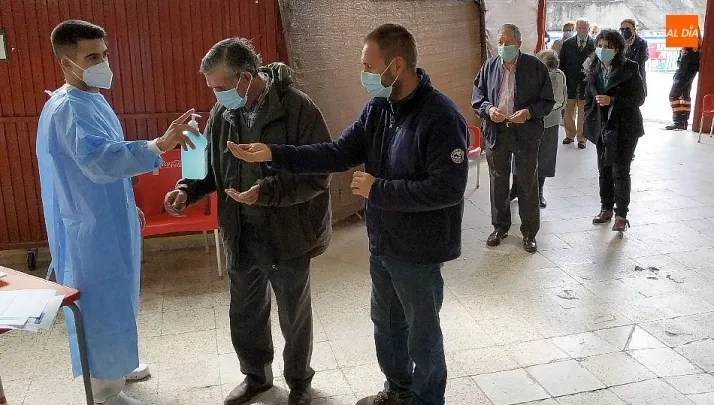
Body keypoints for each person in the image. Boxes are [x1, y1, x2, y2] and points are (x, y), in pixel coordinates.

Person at [226, 23, 468, 405]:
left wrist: (379, 190)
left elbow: (447, 188)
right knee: (387, 325)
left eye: (368, 67)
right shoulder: (378, 109)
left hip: (418, 250)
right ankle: (398, 390)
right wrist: (275, 153)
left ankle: (426, 400)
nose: (363, 74)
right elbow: (337, 152)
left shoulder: (441, 117)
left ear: (397, 66)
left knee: (422, 334)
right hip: (383, 242)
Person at [163, 38, 332, 405]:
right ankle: (256, 377)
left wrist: (265, 193)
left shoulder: (297, 109)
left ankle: (299, 382)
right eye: (212, 88)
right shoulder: (223, 114)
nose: (216, 95)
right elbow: (210, 170)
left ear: (245, 77)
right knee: (245, 312)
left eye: (220, 87)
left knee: (294, 314)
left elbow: (317, 175)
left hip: (289, 232)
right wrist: (186, 190)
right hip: (241, 230)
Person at [36, 20, 196, 405]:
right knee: (99, 303)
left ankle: (119, 363)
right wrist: (159, 145)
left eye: (105, 54)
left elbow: (107, 159)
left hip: (107, 213)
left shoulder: (91, 98)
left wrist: (128, 203)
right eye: (92, 57)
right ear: (66, 62)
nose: (103, 64)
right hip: (89, 227)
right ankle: (105, 389)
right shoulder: (69, 109)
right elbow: (100, 161)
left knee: (120, 295)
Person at [472, 23, 555, 253]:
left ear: (519, 43)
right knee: (498, 181)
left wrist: (528, 113)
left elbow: (547, 101)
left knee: (527, 181)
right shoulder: (489, 66)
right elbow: (477, 96)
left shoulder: (535, 67)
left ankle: (529, 232)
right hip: (496, 131)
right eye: (500, 42)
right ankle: (500, 227)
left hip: (525, 132)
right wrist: (488, 109)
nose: (503, 46)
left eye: (507, 42)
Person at [583, 29, 645, 231]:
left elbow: (639, 98)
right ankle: (606, 208)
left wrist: (612, 101)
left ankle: (621, 215)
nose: (602, 50)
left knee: (620, 170)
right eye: (599, 46)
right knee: (604, 169)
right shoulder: (592, 67)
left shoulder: (630, 67)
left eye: (607, 47)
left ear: (617, 49)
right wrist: (589, 117)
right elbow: (588, 97)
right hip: (601, 126)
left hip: (625, 126)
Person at [509, 49, 567, 209]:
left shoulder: (558, 76)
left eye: (548, 69)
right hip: (528, 121)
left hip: (549, 123)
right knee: (520, 154)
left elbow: (560, 101)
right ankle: (515, 189)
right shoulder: (528, 72)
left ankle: (539, 192)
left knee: (545, 157)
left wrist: (541, 111)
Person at [559, 18, 596, 149]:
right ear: (576, 28)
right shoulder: (567, 44)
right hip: (570, 82)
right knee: (568, 111)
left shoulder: (594, 44)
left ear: (589, 29)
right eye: (579, 28)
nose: (582, 30)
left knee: (583, 112)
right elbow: (561, 63)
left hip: (586, 83)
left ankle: (582, 138)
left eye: (584, 28)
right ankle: (569, 135)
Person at [665, 35, 701, 131]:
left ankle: (678, 122)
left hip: (683, 74)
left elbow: (683, 63)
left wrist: (678, 76)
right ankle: (684, 121)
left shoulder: (689, 46)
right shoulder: (696, 45)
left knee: (673, 96)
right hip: (689, 73)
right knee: (685, 96)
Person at [621, 19, 649, 97]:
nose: (624, 31)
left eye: (627, 29)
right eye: (622, 29)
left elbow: (642, 59)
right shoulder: (619, 42)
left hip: (637, 77)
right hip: (622, 78)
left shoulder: (641, 43)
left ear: (634, 29)